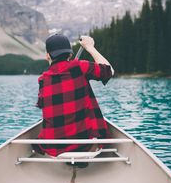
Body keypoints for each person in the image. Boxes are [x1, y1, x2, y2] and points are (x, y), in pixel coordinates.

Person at [35, 33, 114, 163]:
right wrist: (90, 47)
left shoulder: (42, 79)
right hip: (85, 145)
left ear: (48, 55)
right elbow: (109, 71)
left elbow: (43, 106)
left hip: (54, 148)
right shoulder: (79, 67)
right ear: (70, 54)